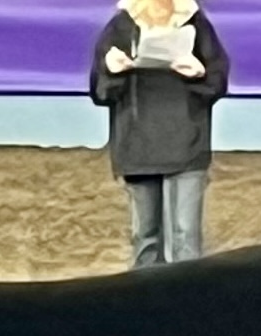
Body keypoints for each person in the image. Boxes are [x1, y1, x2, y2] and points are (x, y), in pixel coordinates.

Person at [89, 0, 229, 267]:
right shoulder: (121, 27)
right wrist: (112, 70)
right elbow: (100, 90)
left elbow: (218, 80)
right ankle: (147, 300)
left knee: (186, 238)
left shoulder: (197, 25)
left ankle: (187, 301)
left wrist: (199, 73)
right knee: (145, 238)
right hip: (138, 144)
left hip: (187, 143)